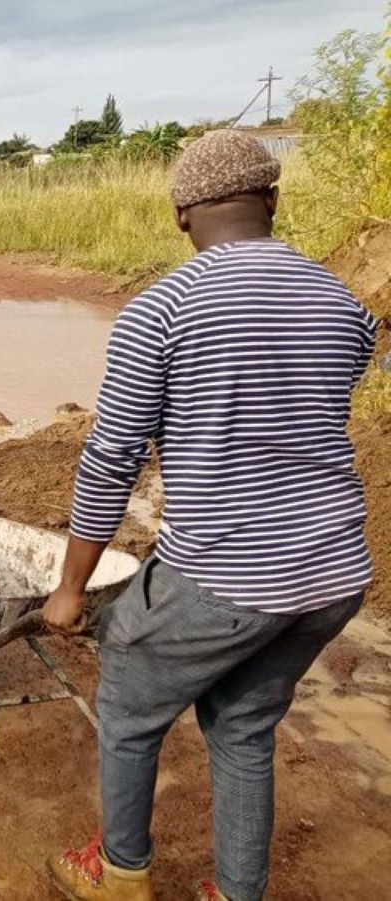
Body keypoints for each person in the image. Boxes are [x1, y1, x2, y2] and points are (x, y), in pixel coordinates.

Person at [42, 130, 376, 901]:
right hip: (332, 577)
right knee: (242, 722)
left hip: (230, 574)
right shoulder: (344, 305)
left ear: (180, 216)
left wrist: (68, 589)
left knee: (127, 691)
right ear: (274, 202)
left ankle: (119, 872)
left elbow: (111, 458)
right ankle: (237, 893)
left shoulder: (162, 311)